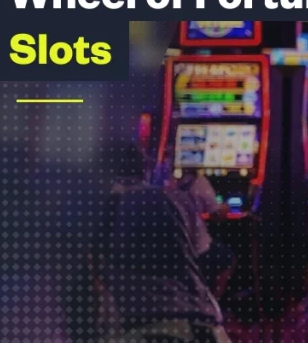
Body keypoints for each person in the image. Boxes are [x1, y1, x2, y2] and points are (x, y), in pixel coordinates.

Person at [94, 142, 229, 342]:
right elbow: (202, 251)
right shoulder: (173, 198)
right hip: (195, 323)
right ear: (146, 168)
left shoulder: (95, 206)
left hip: (132, 323)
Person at [175, 173, 237, 298]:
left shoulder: (161, 180)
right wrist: (226, 207)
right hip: (197, 250)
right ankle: (214, 303)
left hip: (173, 247)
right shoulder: (197, 180)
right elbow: (218, 215)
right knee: (228, 258)